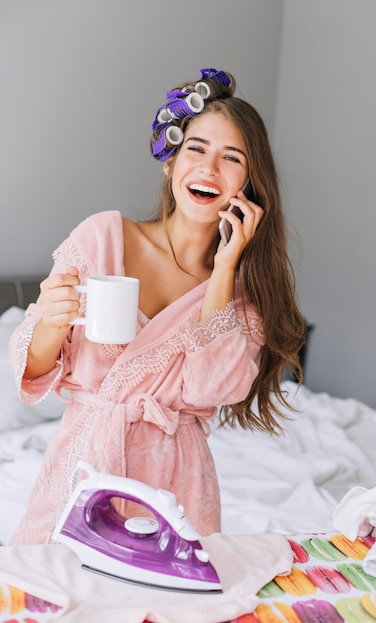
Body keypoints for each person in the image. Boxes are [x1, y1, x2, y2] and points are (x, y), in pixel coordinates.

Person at [9, 67, 305, 544]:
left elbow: (210, 388)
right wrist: (52, 320)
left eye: (232, 159)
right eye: (196, 149)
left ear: (248, 185)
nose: (209, 170)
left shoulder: (242, 299)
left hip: (176, 482)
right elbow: (34, 369)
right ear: (170, 162)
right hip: (85, 461)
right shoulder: (102, 239)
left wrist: (226, 267)